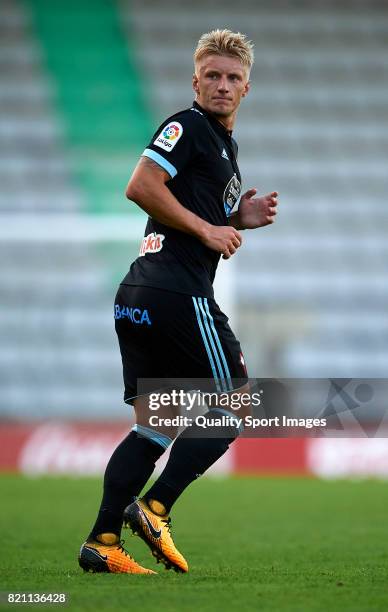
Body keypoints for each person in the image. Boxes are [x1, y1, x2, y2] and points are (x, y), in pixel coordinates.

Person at [78, 29, 278, 575]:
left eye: (232, 77)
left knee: (154, 424)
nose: (221, 85)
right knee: (238, 402)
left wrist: (236, 220)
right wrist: (210, 233)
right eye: (212, 75)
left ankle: (103, 541)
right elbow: (141, 185)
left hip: (140, 293)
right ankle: (156, 507)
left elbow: (193, 210)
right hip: (174, 291)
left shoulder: (223, 148)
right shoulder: (186, 125)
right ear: (195, 80)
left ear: (246, 89)